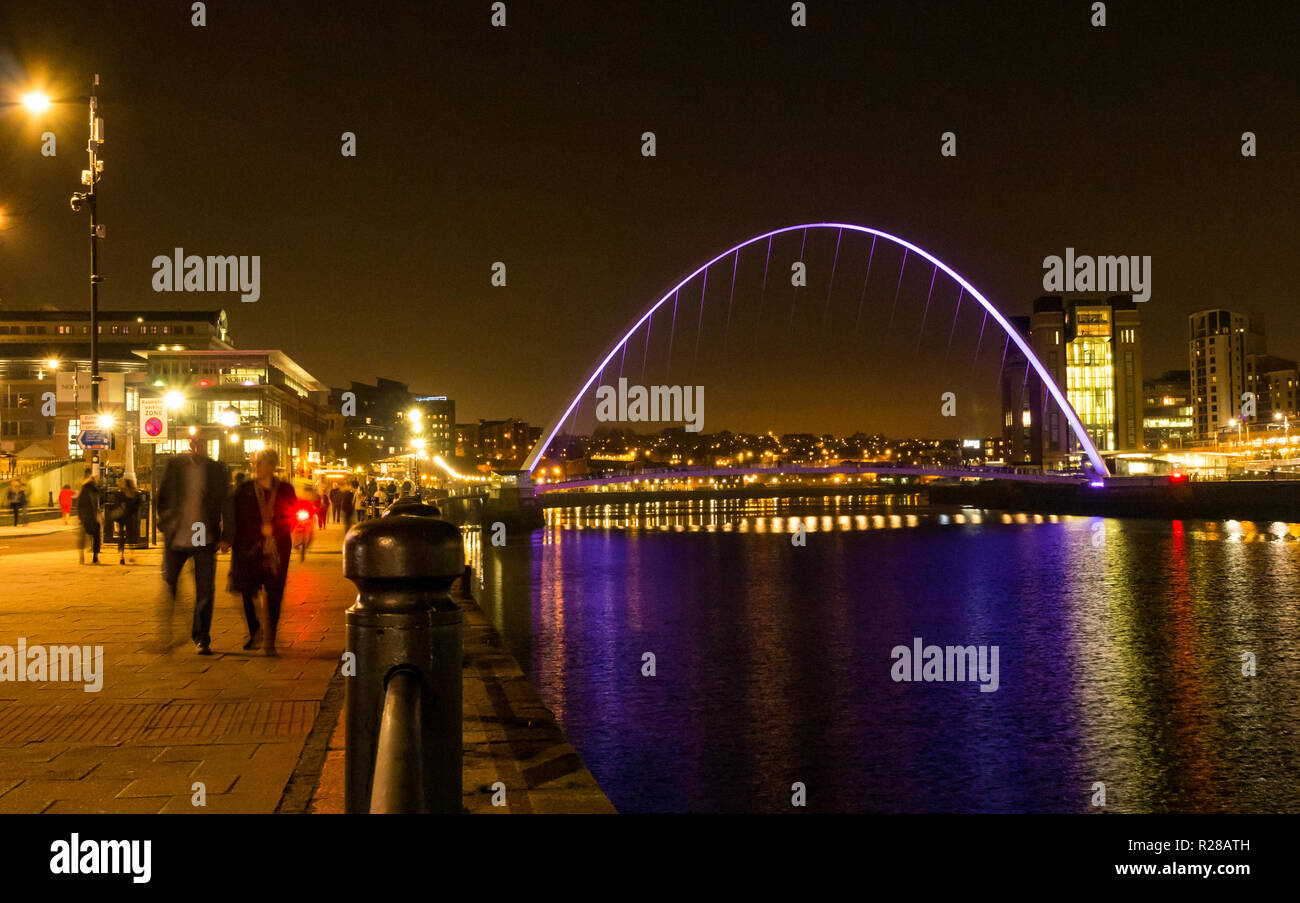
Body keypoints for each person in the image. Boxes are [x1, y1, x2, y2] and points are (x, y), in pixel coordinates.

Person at [156, 436, 231, 655]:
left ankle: (201, 637)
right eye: (196, 443)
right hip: (177, 534)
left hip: (202, 534)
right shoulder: (175, 466)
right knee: (170, 583)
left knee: (205, 589)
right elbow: (162, 496)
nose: (199, 447)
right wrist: (165, 519)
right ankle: (168, 632)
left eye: (203, 443)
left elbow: (226, 503)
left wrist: (226, 535)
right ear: (190, 445)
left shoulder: (216, 470)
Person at [230, 448, 297, 657]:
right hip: (248, 550)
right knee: (246, 590)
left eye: (261, 462)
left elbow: (292, 516)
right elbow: (234, 518)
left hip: (277, 550)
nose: (256, 467)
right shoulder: (245, 489)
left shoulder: (285, 489)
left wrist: (275, 531)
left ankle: (270, 640)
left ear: (272, 465)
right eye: (255, 462)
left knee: (274, 594)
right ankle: (255, 629)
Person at [76, 468, 102, 565]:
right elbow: (98, 504)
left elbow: (79, 505)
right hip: (93, 517)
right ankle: (95, 556)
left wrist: (81, 517)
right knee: (96, 537)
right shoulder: (95, 490)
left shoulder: (84, 489)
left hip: (86, 517)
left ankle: (82, 556)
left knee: (82, 538)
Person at [115, 478, 141, 565]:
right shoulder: (135, 494)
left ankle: (121, 557)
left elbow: (117, 505)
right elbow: (137, 507)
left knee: (121, 537)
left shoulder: (121, 494)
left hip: (122, 518)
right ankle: (131, 555)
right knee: (130, 536)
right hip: (130, 518)